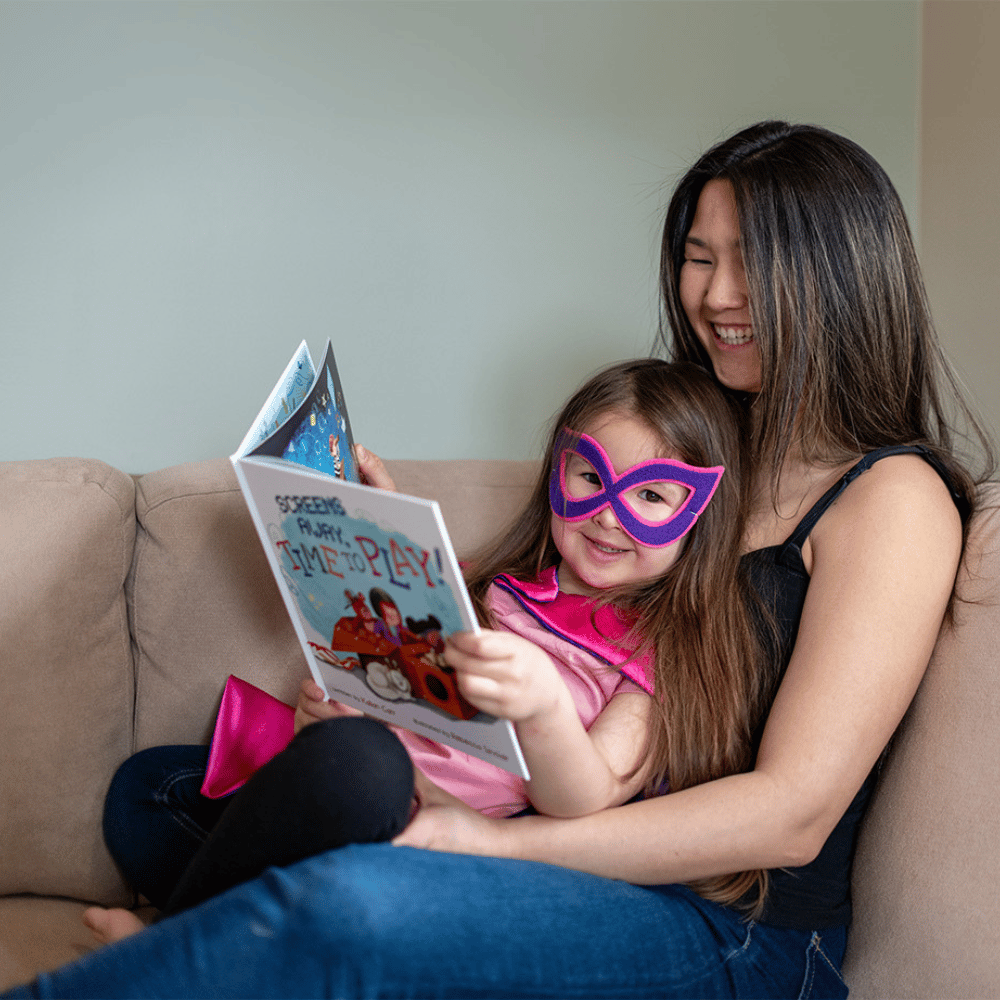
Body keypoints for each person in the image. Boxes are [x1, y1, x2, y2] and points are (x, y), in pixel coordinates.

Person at [4, 119, 994, 1000]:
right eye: (698, 256)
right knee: (163, 791)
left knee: (351, 900)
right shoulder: (694, 439)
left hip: (722, 923)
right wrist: (381, 549)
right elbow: (529, 616)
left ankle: (191, 944)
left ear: (839, 272)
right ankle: (263, 915)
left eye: (751, 260)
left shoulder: (889, 498)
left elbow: (790, 817)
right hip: (531, 810)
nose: (718, 296)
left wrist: (501, 844)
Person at [84, 358, 749, 939]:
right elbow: (397, 656)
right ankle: (266, 930)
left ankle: (173, 948)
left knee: (365, 766)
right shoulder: (498, 591)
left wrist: (543, 707)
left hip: (433, 847)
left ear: (703, 517)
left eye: (654, 496)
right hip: (340, 801)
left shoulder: (653, 666)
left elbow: (585, 801)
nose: (608, 513)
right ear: (558, 470)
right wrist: (380, 537)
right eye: (588, 477)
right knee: (150, 790)